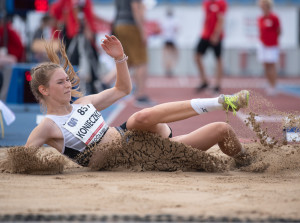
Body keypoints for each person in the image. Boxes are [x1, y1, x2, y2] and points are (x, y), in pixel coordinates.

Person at [25, 34, 251, 170]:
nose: (67, 85)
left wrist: (119, 59)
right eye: (60, 83)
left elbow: (123, 88)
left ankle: (222, 102)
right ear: (44, 90)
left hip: (137, 137)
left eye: (67, 80)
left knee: (137, 119)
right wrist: (47, 167)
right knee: (223, 129)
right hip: (147, 157)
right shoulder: (48, 126)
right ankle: (247, 161)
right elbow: (22, 159)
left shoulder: (83, 103)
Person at [113, 0, 155, 108]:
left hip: (119, 25)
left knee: (127, 60)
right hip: (131, 26)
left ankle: (104, 82)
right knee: (141, 62)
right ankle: (140, 95)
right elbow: (136, 9)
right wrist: (143, 31)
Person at [194, 0, 227, 94]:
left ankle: (217, 84)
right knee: (197, 56)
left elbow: (221, 19)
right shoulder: (206, 3)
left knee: (219, 59)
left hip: (216, 36)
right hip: (205, 35)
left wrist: (216, 34)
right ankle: (204, 80)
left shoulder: (221, 3)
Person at [257, 0, 281, 96]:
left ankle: (273, 85)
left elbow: (278, 30)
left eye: (265, 5)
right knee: (265, 65)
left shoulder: (274, 18)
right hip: (263, 44)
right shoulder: (260, 18)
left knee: (272, 65)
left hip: (272, 45)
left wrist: (272, 40)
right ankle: (269, 82)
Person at [161, 7, 179, 78]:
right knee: (173, 55)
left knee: (166, 55)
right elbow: (176, 29)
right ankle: (170, 68)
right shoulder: (174, 20)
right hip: (172, 40)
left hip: (166, 40)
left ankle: (168, 68)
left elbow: (161, 30)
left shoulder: (164, 21)